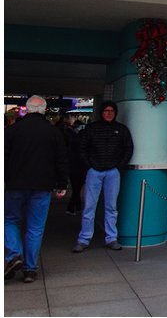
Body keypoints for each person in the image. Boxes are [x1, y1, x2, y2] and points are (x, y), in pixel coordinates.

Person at [5, 95, 69, 284]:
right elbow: (61, 160)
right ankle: (30, 270)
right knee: (35, 227)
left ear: (27, 109)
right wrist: (62, 183)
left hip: (15, 185)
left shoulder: (12, 130)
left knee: (9, 220)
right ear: (43, 110)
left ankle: (14, 254)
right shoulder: (53, 132)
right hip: (42, 186)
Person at [72, 101, 134, 252]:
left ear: (115, 113)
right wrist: (90, 166)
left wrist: (118, 166)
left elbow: (128, 149)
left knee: (111, 207)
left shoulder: (122, 129)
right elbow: (82, 148)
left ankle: (111, 238)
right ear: (101, 112)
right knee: (89, 206)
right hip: (94, 172)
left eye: (112, 111)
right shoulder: (92, 128)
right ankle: (84, 239)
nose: (109, 113)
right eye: (106, 110)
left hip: (113, 172)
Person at [58, 115, 86, 215]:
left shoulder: (72, 143)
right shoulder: (84, 147)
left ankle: (76, 207)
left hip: (72, 167)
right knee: (77, 189)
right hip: (82, 168)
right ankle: (74, 207)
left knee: (75, 188)